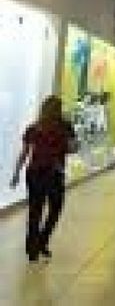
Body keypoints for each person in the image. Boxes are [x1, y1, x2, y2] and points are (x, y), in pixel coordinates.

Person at [9, 95, 77, 262]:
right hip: (53, 173)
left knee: (35, 210)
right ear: (58, 109)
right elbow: (73, 149)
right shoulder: (65, 127)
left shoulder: (34, 128)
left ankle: (32, 249)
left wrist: (16, 173)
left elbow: (25, 153)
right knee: (55, 209)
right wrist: (68, 145)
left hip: (34, 173)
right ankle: (42, 240)